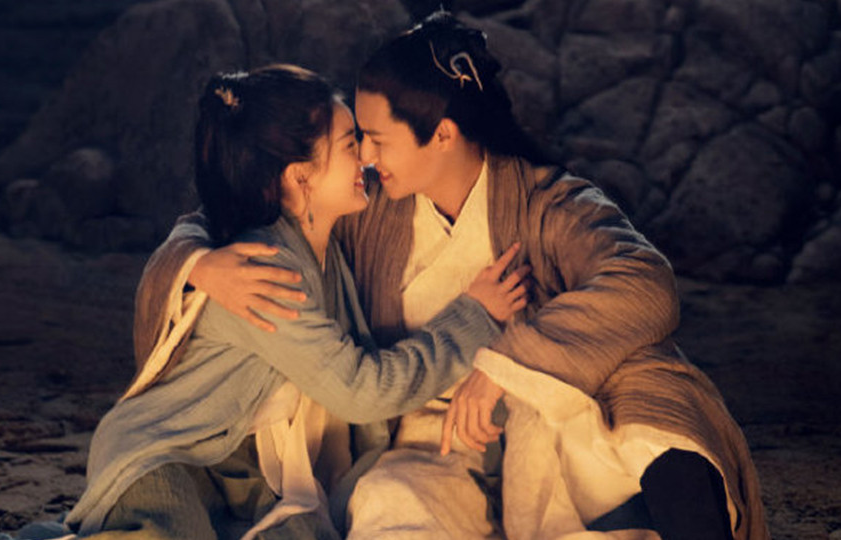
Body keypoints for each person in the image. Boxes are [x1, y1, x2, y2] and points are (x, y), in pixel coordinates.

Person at [157, 13, 769, 540]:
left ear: (442, 134)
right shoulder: (369, 211)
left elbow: (644, 281)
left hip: (542, 423)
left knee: (652, 429)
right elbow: (240, 208)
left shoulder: (544, 204)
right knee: (388, 504)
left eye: (376, 139)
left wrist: (504, 366)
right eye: (359, 140)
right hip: (431, 443)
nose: (364, 156)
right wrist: (196, 263)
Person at [63, 64, 529, 539]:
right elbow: (360, 390)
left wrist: (193, 260)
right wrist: (473, 316)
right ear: (300, 175)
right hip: (169, 455)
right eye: (350, 145)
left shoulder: (320, 235)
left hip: (243, 468)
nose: (367, 157)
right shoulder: (264, 271)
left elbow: (207, 216)